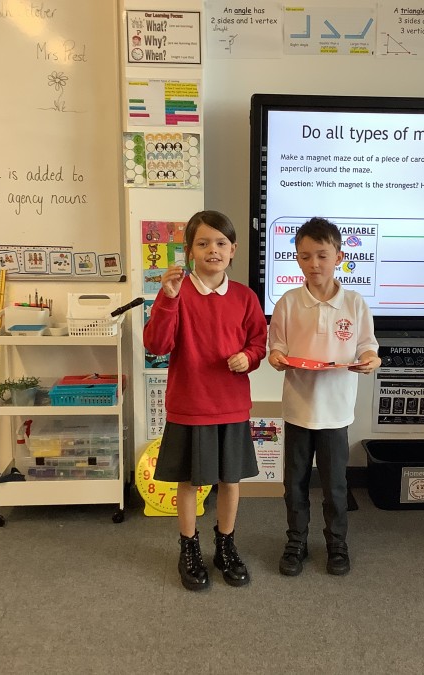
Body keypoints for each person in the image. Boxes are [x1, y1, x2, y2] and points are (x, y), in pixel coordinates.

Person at [143, 210, 267, 591]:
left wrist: (248, 357)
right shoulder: (176, 294)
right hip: (190, 405)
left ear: (233, 250)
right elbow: (156, 344)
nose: (213, 249)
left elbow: (258, 342)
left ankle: (225, 545)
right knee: (189, 481)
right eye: (203, 243)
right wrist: (166, 299)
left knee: (230, 480)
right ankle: (189, 547)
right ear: (189, 251)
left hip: (231, 405)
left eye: (220, 242)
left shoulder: (245, 297)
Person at [268, 217, 381, 577]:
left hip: (336, 412)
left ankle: (337, 544)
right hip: (298, 409)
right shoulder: (288, 302)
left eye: (322, 255)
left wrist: (371, 359)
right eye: (305, 256)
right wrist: (276, 357)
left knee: (335, 486)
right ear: (297, 259)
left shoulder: (355, 303)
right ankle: (295, 542)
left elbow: (367, 346)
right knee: (295, 485)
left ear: (338, 256)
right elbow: (276, 346)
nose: (313, 264)